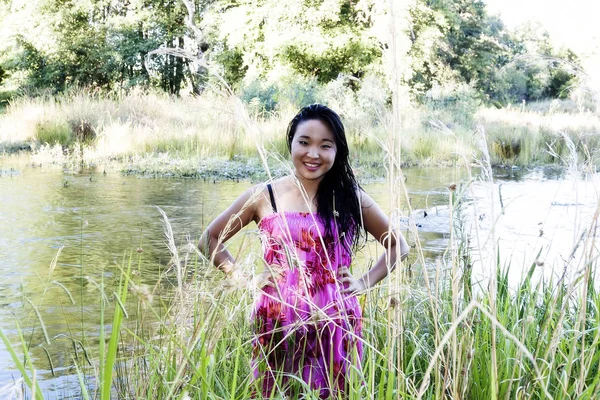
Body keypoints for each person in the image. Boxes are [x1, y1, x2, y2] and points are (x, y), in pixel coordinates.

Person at [200, 104, 409, 399]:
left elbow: (398, 245)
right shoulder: (265, 195)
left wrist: (363, 282)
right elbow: (210, 239)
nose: (313, 154)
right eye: (304, 142)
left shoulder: (350, 197)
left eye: (325, 145)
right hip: (276, 319)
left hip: (335, 320)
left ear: (337, 152)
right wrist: (245, 280)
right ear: (291, 144)